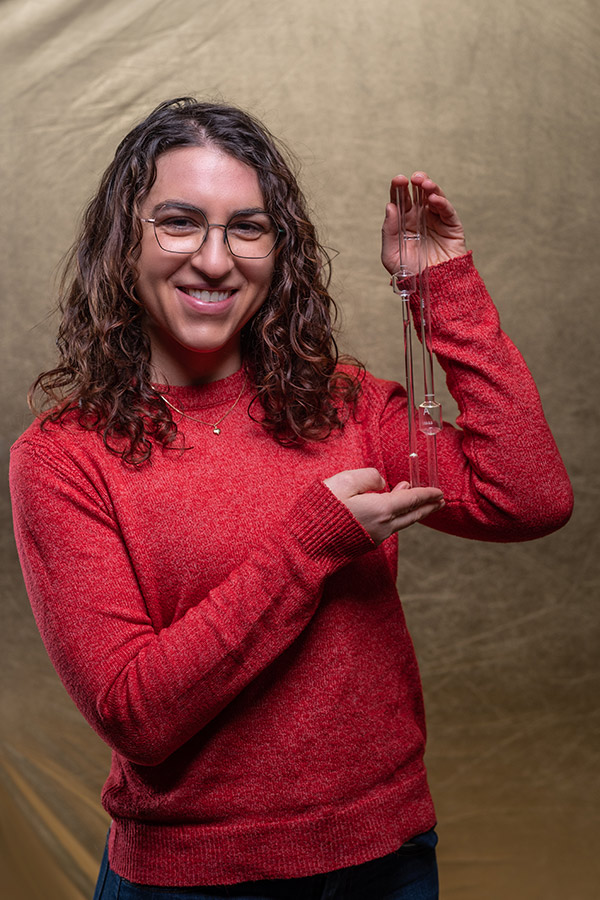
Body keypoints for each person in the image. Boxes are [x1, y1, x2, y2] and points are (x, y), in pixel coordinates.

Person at [10, 97, 573, 900]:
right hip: (191, 883)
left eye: (247, 227)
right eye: (178, 221)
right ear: (121, 244)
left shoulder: (340, 405)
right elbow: (134, 714)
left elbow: (529, 496)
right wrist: (310, 544)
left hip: (385, 862)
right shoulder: (63, 458)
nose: (215, 259)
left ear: (280, 251)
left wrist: (441, 290)